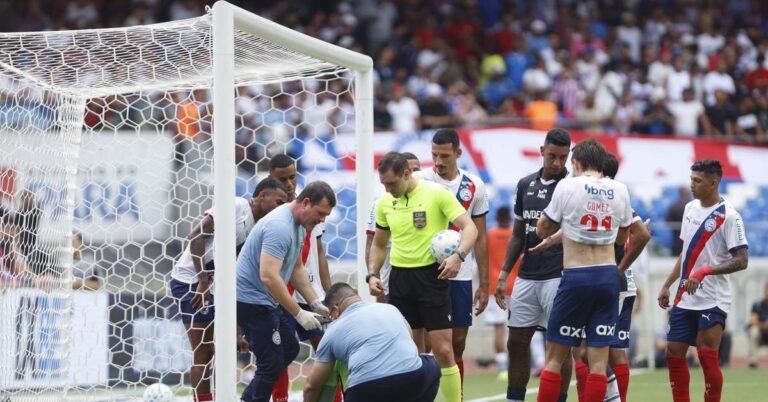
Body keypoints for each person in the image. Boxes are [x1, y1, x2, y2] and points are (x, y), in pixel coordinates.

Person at [367, 151, 478, 402]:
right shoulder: (384, 202)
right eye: (384, 184)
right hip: (399, 280)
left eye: (392, 183)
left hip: (431, 278)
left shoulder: (436, 194)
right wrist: (373, 273)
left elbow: (470, 228)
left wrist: (458, 256)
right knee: (410, 353)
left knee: (443, 350)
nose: (388, 189)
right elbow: (378, 243)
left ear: (407, 174)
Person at [169, 178, 288, 402]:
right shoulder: (236, 207)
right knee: (204, 351)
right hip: (191, 282)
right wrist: (202, 280)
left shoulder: (262, 228)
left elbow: (240, 274)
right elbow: (195, 236)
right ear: (262, 196)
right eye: (278, 202)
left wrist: (237, 328)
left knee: (222, 349)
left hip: (219, 287)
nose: (281, 208)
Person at [535, 138, 633, 402]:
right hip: (607, 275)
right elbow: (624, 238)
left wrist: (548, 229)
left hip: (577, 274)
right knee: (599, 363)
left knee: (555, 358)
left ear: (576, 162)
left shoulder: (567, 186)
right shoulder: (620, 189)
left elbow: (543, 228)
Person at [657, 159, 748, 402]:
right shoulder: (690, 209)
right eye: (691, 180)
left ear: (713, 182)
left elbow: (742, 260)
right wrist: (667, 283)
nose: (692, 185)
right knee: (673, 352)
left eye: (697, 181)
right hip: (685, 296)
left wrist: (705, 271)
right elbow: (686, 253)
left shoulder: (729, 216)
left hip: (713, 299)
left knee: (708, 357)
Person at [236, 181, 335, 402]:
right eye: (320, 213)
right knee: (271, 362)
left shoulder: (299, 225)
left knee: (289, 348)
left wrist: (315, 302)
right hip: (250, 300)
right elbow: (269, 276)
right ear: (306, 202)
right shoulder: (280, 226)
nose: (322, 220)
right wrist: (299, 314)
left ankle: (249, 398)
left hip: (266, 299)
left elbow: (297, 267)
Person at [494, 128, 572, 402]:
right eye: (552, 156)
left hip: (559, 276)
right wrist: (504, 274)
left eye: (563, 157)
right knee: (516, 342)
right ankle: (515, 398)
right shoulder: (525, 184)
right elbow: (519, 233)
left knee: (559, 346)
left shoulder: (571, 186)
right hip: (527, 276)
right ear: (541, 151)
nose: (557, 163)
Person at [413, 128, 490, 389]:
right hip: (423, 272)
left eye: (445, 155)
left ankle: (454, 396)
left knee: (457, 343)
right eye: (434, 155)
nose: (438, 162)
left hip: (461, 276)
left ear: (458, 153)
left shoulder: (474, 186)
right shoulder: (418, 181)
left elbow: (480, 236)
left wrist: (485, 284)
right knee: (424, 345)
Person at [303, 283, 441, 402]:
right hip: (412, 380)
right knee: (429, 362)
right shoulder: (390, 309)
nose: (331, 319)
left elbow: (311, 386)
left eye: (330, 316)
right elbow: (411, 344)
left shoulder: (332, 332)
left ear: (335, 309)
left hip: (365, 390)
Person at [365, 152, 421, 303]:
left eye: (417, 170)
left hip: (423, 282)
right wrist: (373, 276)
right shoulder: (381, 203)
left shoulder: (430, 197)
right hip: (390, 284)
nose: (414, 174)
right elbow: (372, 244)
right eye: (411, 170)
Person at [482, 206, 516, 380]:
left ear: (496, 217)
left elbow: (483, 256)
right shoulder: (514, 234)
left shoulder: (490, 234)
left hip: (495, 286)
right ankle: (519, 364)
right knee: (518, 328)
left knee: (499, 329)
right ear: (510, 217)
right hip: (515, 284)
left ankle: (503, 368)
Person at [748, 282, 768, 368]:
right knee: (753, 331)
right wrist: (764, 325)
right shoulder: (757, 305)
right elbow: (752, 321)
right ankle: (753, 361)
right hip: (761, 334)